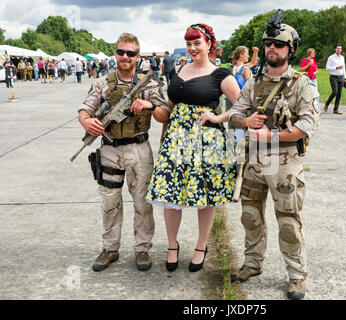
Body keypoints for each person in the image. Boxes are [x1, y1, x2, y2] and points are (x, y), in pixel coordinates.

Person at [228, 10, 320, 300]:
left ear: (290, 50)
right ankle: (253, 264)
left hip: (285, 162)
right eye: (268, 43)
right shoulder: (254, 82)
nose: (271, 48)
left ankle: (296, 275)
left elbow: (308, 125)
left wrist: (273, 135)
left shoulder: (302, 84)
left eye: (278, 44)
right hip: (254, 160)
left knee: (288, 221)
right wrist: (245, 122)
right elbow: (235, 113)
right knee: (249, 216)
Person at [144, 23, 240, 273]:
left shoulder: (221, 74)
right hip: (175, 142)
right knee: (169, 194)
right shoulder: (180, 69)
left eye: (197, 42)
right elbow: (169, 106)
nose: (192, 48)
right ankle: (172, 246)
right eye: (188, 43)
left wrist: (218, 117)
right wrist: (151, 107)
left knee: (205, 197)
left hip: (206, 143)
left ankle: (201, 246)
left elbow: (242, 106)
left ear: (209, 44)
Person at [78, 32, 169, 272]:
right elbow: (84, 110)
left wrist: (149, 105)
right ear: (115, 53)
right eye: (121, 52)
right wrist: (87, 123)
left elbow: (165, 115)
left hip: (139, 148)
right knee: (109, 201)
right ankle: (110, 248)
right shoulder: (103, 83)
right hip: (109, 148)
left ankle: (142, 250)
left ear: (138, 56)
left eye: (130, 53)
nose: (125, 57)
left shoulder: (147, 83)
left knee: (142, 202)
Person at [324, 44, 346, 114]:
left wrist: (345, 78)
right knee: (335, 92)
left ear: (341, 50)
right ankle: (327, 104)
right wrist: (336, 67)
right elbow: (327, 67)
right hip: (333, 77)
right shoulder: (331, 57)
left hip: (341, 77)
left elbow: (344, 68)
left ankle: (336, 109)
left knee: (339, 94)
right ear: (335, 49)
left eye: (340, 48)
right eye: (337, 48)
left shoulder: (342, 57)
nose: (339, 50)